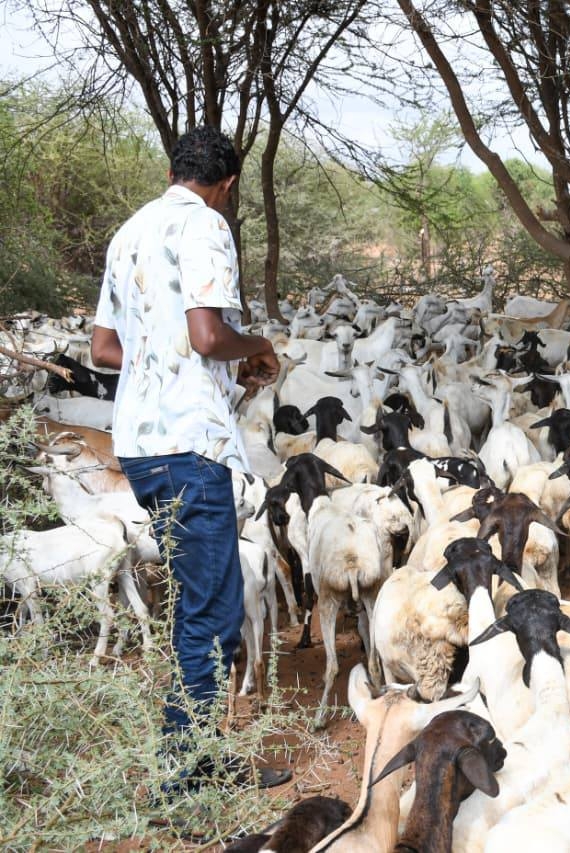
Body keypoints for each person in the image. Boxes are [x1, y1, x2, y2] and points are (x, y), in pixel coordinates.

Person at [90, 125, 289, 791]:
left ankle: (194, 754)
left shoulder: (128, 234)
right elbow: (206, 335)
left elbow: (106, 350)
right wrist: (256, 344)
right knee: (214, 610)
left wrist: (222, 373)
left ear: (176, 168)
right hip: (188, 446)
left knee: (200, 603)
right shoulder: (206, 227)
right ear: (227, 184)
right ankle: (186, 773)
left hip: (142, 447)